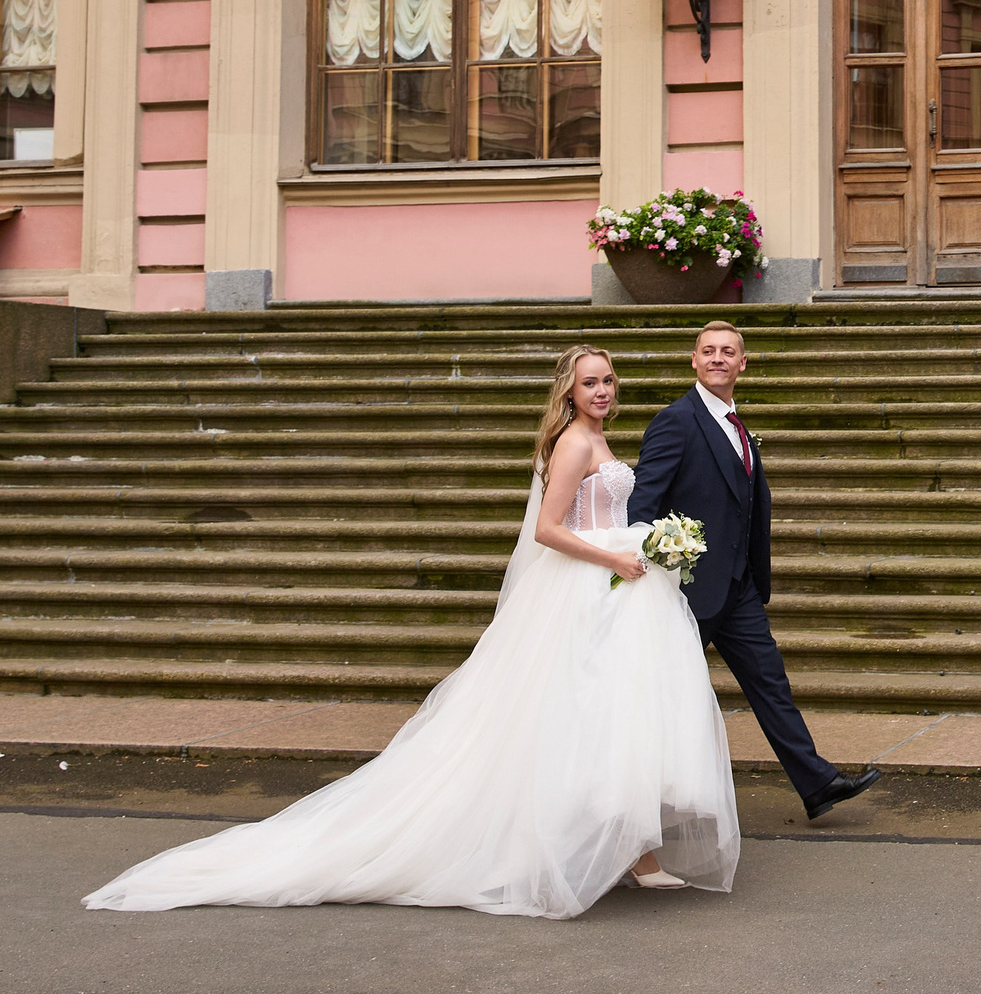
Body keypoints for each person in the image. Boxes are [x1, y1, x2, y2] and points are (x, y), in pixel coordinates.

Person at [82, 345, 738, 919]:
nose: (603, 391)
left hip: (617, 585)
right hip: (588, 584)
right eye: (591, 382)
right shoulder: (572, 442)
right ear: (568, 389)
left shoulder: (598, 440)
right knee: (578, 720)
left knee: (613, 722)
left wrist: (650, 545)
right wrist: (616, 557)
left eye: (609, 381)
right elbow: (549, 530)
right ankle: (575, 849)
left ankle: (635, 854)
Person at [628, 319, 879, 820]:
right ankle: (619, 794)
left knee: (770, 681)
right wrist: (663, 559)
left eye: (728, 351)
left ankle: (817, 783)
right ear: (694, 361)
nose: (718, 358)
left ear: (743, 363)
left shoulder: (737, 424)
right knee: (653, 694)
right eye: (708, 351)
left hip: (738, 587)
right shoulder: (676, 420)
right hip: (688, 590)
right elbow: (641, 505)